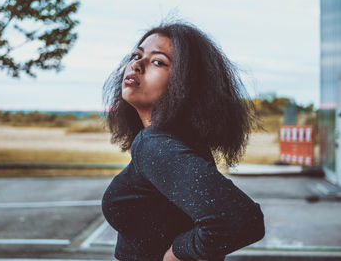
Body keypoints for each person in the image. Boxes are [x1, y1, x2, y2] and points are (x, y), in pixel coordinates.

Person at [102, 21, 265, 261]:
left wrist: (177, 253)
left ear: (185, 83)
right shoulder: (173, 140)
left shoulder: (155, 144)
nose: (137, 64)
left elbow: (240, 220)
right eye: (136, 55)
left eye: (158, 61)